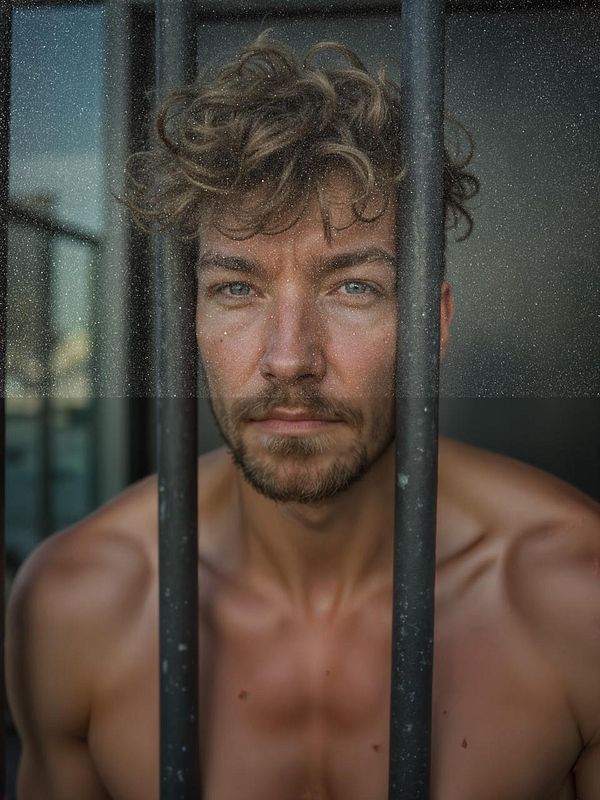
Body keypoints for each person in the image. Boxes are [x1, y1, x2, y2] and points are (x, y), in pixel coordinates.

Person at [6, 35, 600, 800]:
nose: (289, 359)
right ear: (193, 322)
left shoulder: (573, 596)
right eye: (236, 289)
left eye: (353, 288)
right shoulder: (78, 604)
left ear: (433, 327)